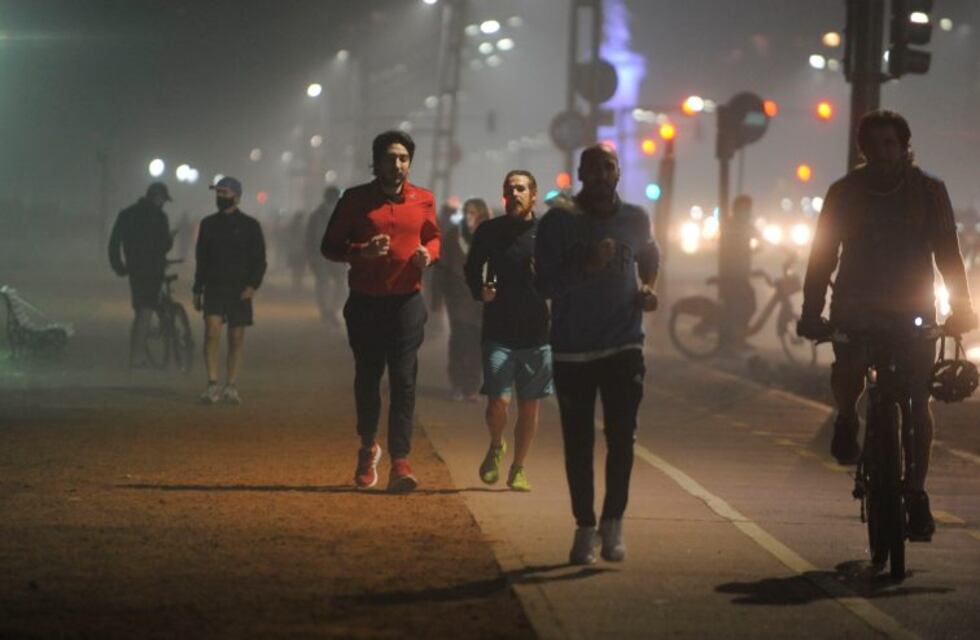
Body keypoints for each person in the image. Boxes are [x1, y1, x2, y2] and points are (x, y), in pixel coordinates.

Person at [798, 110, 977, 540]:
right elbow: (822, 257)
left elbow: (948, 255)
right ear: (863, 150)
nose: (883, 153)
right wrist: (811, 312)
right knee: (849, 370)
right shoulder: (844, 193)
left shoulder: (929, 192)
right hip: (855, 304)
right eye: (874, 145)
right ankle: (845, 417)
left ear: (904, 146)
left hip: (912, 307)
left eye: (890, 144)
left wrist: (962, 308)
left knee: (918, 401)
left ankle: (915, 493)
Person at [535, 144, 660, 565]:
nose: (603, 175)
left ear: (619, 173)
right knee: (578, 443)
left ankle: (614, 523)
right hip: (573, 349)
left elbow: (650, 259)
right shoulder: (558, 222)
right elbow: (544, 286)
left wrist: (648, 288)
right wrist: (587, 266)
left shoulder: (636, 219)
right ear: (581, 174)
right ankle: (585, 527)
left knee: (622, 438)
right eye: (595, 168)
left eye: (610, 167)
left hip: (624, 343)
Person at [321, 130, 440, 493]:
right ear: (377, 162)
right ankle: (368, 445)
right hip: (366, 303)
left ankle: (400, 461)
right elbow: (329, 246)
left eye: (404, 158)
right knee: (368, 378)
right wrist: (361, 251)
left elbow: (433, 237)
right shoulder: (355, 199)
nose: (398, 164)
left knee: (404, 380)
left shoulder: (423, 199)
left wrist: (428, 255)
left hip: (406, 302)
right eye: (391, 158)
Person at [464, 170, 552, 492]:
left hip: (537, 333)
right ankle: (496, 444)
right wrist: (480, 290)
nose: (514, 194)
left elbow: (562, 273)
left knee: (529, 404)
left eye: (521, 189)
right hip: (498, 330)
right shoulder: (489, 232)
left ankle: (518, 467)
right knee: (497, 402)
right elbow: (471, 268)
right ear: (503, 195)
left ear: (533, 194)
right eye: (509, 189)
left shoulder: (547, 233)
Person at [192, 176, 267, 405]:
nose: (220, 197)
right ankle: (212, 383)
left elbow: (259, 260)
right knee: (211, 332)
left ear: (236, 196)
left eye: (224, 193)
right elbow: (201, 259)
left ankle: (231, 385)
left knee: (236, 338)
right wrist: (197, 289)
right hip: (214, 287)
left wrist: (253, 286)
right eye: (218, 193)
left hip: (239, 290)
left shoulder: (250, 226)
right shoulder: (207, 224)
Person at [108, 182, 174, 368]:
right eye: (163, 200)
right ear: (158, 198)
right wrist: (170, 239)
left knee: (140, 312)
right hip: (153, 270)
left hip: (135, 269)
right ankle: (136, 358)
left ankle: (136, 354)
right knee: (145, 312)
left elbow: (114, 243)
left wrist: (119, 266)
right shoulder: (159, 217)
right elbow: (163, 246)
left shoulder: (126, 214)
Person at [436, 198, 490, 401]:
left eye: (474, 213)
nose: (470, 216)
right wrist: (439, 299)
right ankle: (457, 383)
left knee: (478, 344)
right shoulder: (452, 237)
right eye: (467, 212)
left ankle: (472, 386)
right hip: (457, 299)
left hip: (482, 301)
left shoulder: (490, 237)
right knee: (459, 339)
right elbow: (441, 270)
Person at [306, 187, 347, 327]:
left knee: (325, 284)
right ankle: (331, 311)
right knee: (337, 283)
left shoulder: (317, 214)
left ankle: (328, 311)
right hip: (327, 255)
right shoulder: (340, 213)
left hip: (323, 255)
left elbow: (309, 238)